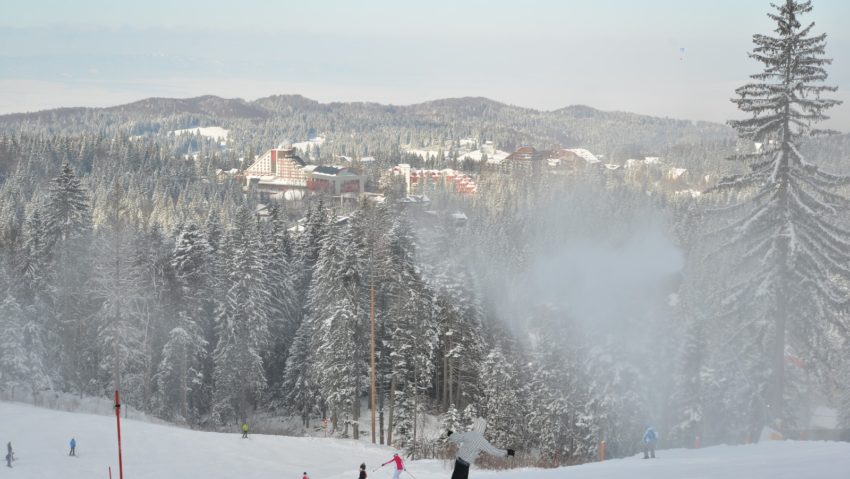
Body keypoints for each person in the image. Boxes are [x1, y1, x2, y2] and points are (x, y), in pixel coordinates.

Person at [446, 418, 514, 479]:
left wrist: (451, 434)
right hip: (464, 465)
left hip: (459, 462)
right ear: (483, 428)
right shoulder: (481, 440)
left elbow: (458, 438)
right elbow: (493, 450)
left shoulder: (470, 434)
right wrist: (507, 452)